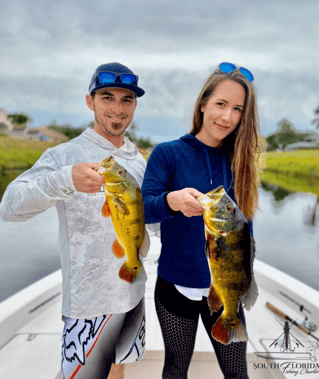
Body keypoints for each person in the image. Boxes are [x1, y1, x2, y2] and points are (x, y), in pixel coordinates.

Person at [0, 62, 148, 379]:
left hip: (133, 289)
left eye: (127, 100)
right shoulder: (64, 155)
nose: (118, 109)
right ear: (89, 101)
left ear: (135, 105)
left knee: (118, 367)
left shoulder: (138, 159)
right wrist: (65, 179)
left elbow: (148, 221)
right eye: (107, 97)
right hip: (88, 304)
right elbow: (9, 206)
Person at [141, 62, 262, 379]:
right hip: (175, 286)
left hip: (226, 291)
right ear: (203, 103)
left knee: (237, 373)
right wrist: (172, 201)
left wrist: (246, 283)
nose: (227, 117)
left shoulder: (239, 162)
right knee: (176, 368)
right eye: (221, 104)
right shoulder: (167, 153)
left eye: (237, 109)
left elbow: (246, 232)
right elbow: (144, 208)